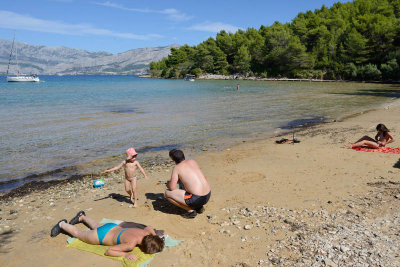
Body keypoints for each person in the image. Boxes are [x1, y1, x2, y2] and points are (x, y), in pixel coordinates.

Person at [50, 211, 164, 261]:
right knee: (78, 234)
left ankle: (82, 217)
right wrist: (125, 255)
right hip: (101, 236)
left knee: (96, 224)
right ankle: (62, 224)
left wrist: (155, 236)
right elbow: (109, 251)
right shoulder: (130, 245)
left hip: (111, 226)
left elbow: (149, 227)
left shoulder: (147, 233)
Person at [165, 149, 211, 219]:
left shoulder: (177, 168)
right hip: (207, 195)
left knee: (167, 193)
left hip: (197, 199)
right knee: (186, 186)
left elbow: (172, 188)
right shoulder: (192, 161)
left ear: (174, 161)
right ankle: (199, 207)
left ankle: (191, 211)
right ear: (184, 156)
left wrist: (168, 183)